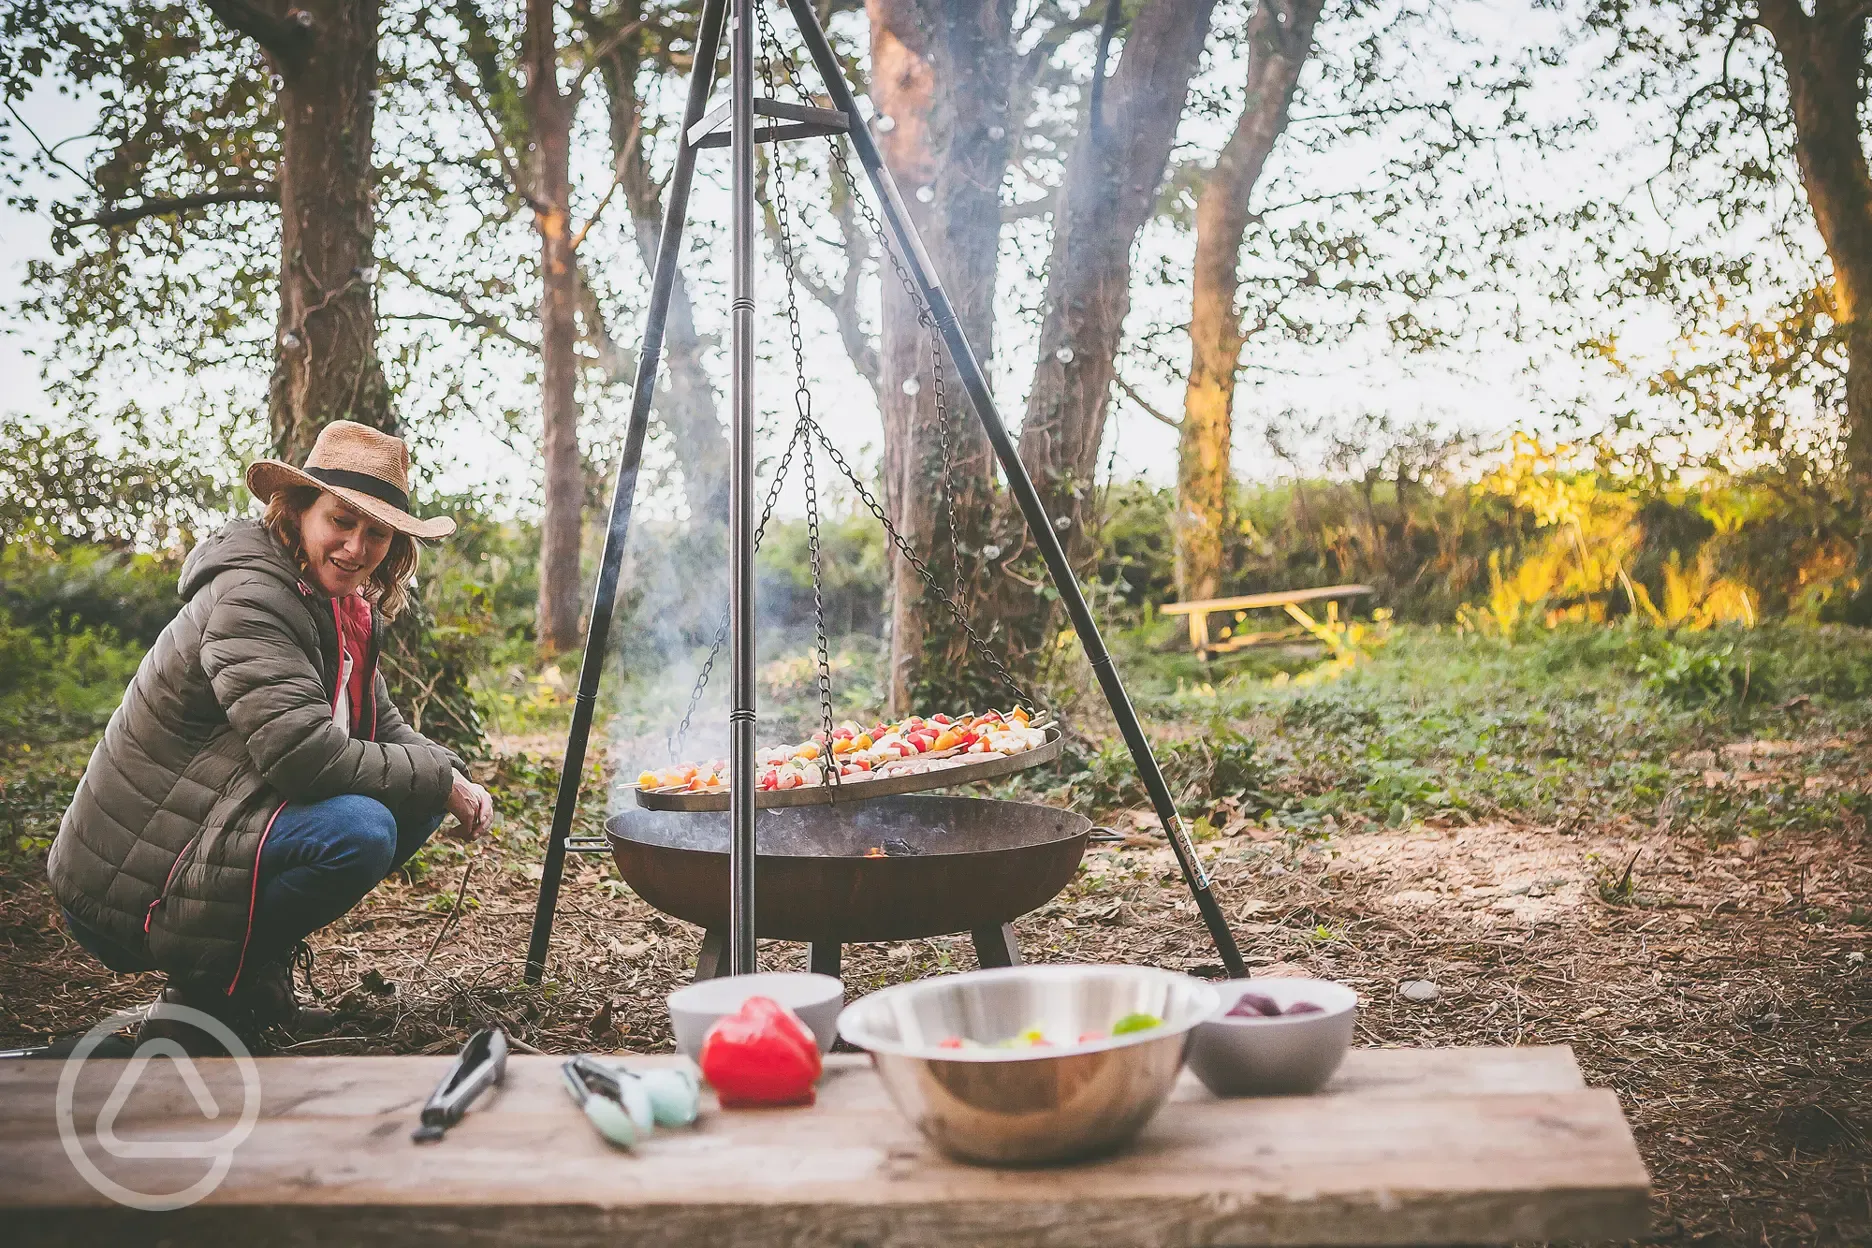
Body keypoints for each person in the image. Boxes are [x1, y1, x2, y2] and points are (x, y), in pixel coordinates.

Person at [48, 421, 494, 1052]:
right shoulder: (252, 596)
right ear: (298, 511)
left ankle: (252, 987)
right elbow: (303, 756)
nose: (355, 546)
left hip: (218, 819)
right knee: (361, 830)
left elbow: (376, 722)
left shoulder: (335, 603)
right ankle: (194, 1006)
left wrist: (450, 776)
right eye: (340, 520)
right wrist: (439, 778)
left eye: (376, 532)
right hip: (132, 875)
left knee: (415, 796)